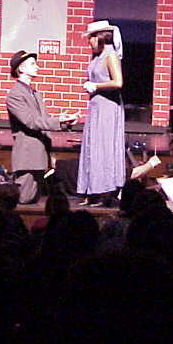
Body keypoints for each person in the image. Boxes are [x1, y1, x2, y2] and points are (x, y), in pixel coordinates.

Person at [6, 50, 78, 202]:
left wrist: (64, 122)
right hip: (28, 157)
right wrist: (58, 120)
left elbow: (43, 120)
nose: (37, 67)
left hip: (39, 155)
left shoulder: (35, 93)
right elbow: (31, 121)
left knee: (33, 201)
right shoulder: (15, 94)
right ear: (21, 69)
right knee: (23, 200)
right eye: (33, 64)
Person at [77, 20, 126, 207]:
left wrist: (96, 86)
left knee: (103, 147)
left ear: (99, 37)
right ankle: (91, 190)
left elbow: (118, 82)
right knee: (92, 146)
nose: (89, 42)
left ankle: (104, 191)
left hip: (107, 108)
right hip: (96, 107)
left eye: (90, 38)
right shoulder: (96, 56)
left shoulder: (110, 55)